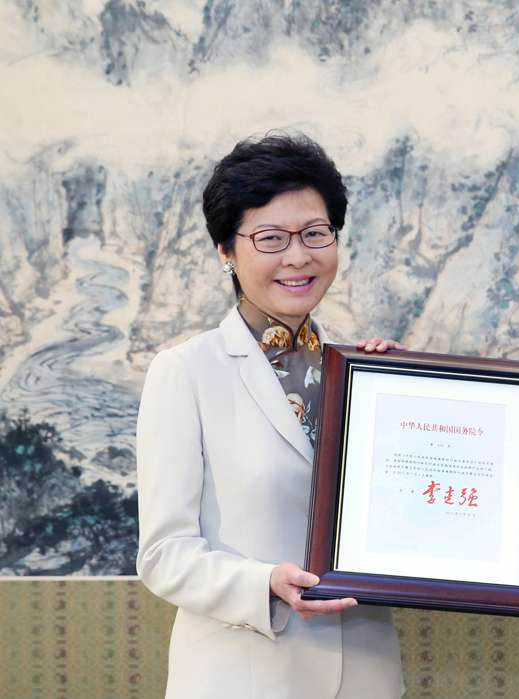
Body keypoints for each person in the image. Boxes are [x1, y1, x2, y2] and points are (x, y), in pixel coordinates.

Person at [136, 133, 403, 698]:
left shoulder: (368, 373)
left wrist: (406, 400)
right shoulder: (186, 371)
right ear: (226, 251)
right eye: (270, 238)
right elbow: (164, 554)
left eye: (314, 233)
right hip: (245, 676)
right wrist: (264, 584)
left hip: (365, 675)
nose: (298, 256)